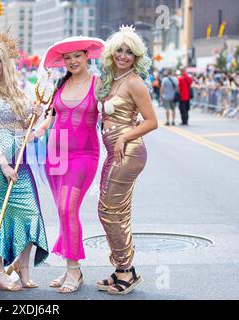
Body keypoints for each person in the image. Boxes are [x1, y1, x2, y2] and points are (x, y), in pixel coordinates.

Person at [0, 28, 49, 291]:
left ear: (5, 62)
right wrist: (3, 162)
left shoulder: (16, 88)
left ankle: (22, 266)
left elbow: (27, 126)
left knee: (31, 211)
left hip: (21, 154)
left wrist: (36, 113)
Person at [33, 36, 105, 293]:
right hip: (55, 155)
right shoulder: (59, 86)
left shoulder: (99, 85)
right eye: (67, 57)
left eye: (77, 55)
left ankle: (73, 270)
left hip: (84, 155)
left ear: (87, 56)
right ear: (62, 61)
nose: (72, 61)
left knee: (67, 207)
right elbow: (49, 119)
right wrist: (37, 131)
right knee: (64, 211)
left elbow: (110, 114)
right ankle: (70, 268)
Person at [95, 25, 158, 295]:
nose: (123, 55)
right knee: (110, 210)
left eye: (129, 52)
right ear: (111, 53)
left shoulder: (134, 82)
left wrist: (123, 138)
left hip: (128, 151)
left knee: (109, 210)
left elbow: (153, 121)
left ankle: (126, 270)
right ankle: (122, 267)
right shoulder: (111, 79)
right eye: (119, 50)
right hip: (114, 151)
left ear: (136, 56)